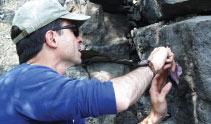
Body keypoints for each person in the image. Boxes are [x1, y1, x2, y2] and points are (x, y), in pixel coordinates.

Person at [0, 0, 176, 123]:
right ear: (52, 38)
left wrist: (154, 117)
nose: (81, 39)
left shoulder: (43, 91)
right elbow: (121, 97)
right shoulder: (26, 83)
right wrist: (152, 64)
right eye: (75, 31)